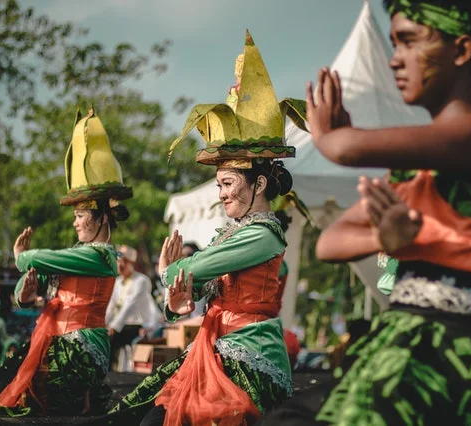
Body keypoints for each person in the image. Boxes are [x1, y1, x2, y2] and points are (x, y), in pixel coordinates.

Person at [260, 0, 471, 424]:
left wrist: (332, 135)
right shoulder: (414, 171)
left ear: (461, 50)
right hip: (402, 346)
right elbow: (330, 243)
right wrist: (387, 237)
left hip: (459, 358)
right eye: (392, 44)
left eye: (409, 41)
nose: (394, 60)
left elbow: (344, 147)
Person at [89, 29, 309, 426]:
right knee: (139, 415)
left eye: (227, 183)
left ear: (258, 183)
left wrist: (171, 272)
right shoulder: (233, 232)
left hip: (251, 357)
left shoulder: (262, 234)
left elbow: (186, 271)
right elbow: (190, 294)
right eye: (220, 184)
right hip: (215, 347)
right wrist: (178, 302)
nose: (221, 194)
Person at [0, 107, 133, 417]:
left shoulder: (99, 256)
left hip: (81, 345)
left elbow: (37, 259)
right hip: (54, 338)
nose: (75, 223)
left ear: (102, 217)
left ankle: (85, 395)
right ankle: (84, 397)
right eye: (74, 216)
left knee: (34, 397)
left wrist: (24, 256)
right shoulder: (78, 255)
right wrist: (26, 291)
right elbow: (30, 286)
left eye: (80, 216)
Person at [106, 244, 163, 371]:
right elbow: (111, 306)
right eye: (118, 261)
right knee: (103, 336)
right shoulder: (118, 282)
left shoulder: (141, 281)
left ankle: (108, 375)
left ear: (132, 263)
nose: (120, 265)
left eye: (124, 262)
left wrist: (113, 328)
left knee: (110, 339)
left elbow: (129, 306)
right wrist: (102, 324)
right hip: (124, 325)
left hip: (142, 325)